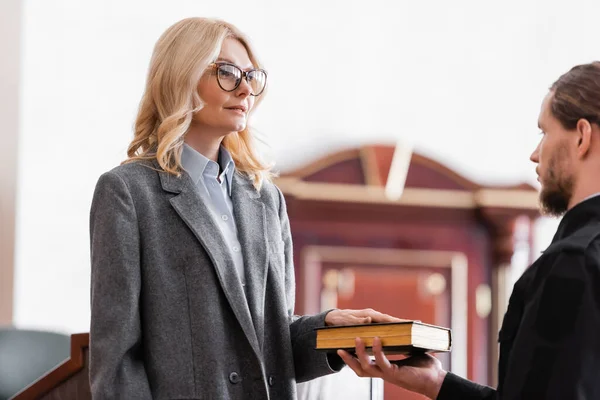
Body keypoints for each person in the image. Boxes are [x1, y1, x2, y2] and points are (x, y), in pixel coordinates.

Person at [89, 17, 399, 399]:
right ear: (180, 75)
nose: (246, 87)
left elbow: (271, 343)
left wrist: (329, 328)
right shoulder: (128, 193)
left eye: (251, 75)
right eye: (228, 72)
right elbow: (117, 362)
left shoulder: (265, 199)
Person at [338, 61, 600, 399]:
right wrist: (438, 384)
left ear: (582, 136)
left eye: (544, 132)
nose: (535, 154)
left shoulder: (573, 263)